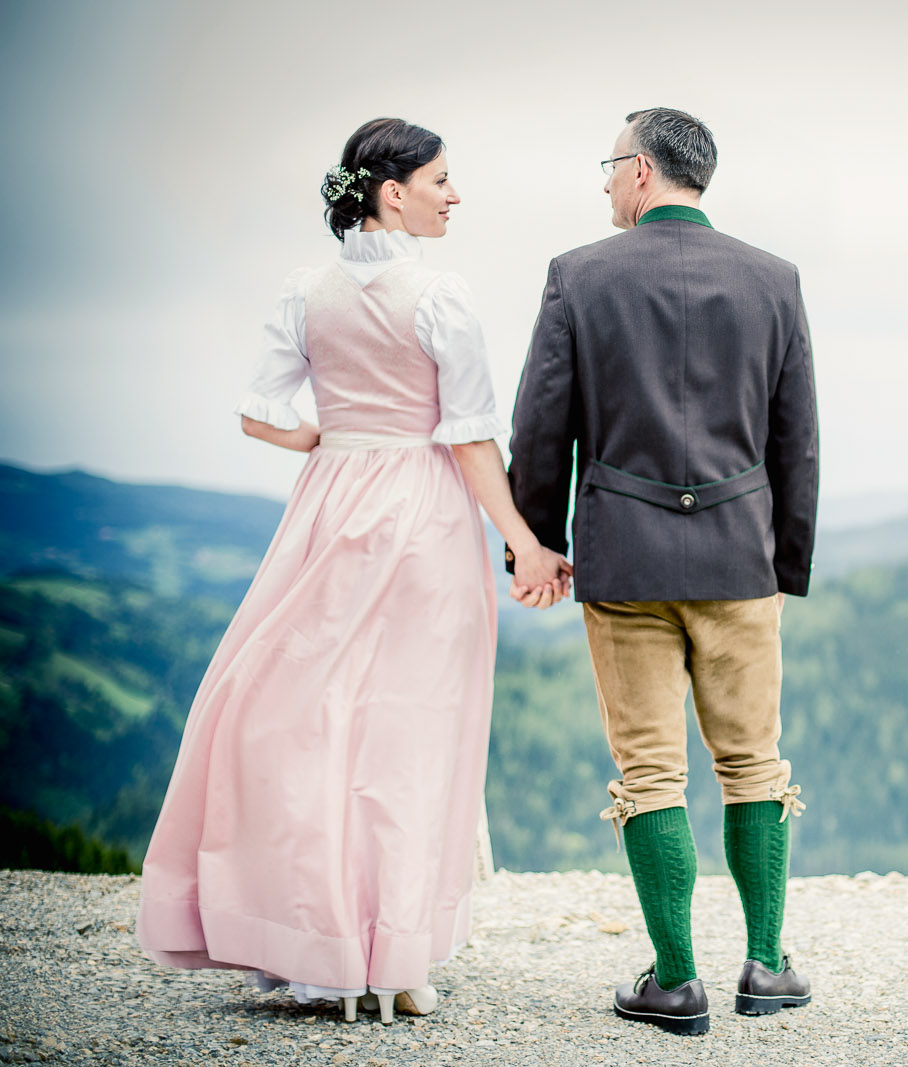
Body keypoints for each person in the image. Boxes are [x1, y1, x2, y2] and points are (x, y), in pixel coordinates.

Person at [136, 117, 571, 1024]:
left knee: (305, 723)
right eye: (443, 180)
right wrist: (525, 542)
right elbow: (470, 437)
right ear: (392, 191)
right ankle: (396, 955)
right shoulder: (440, 297)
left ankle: (313, 942)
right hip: (421, 517)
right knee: (410, 733)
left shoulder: (307, 291)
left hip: (329, 511)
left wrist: (330, 437)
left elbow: (259, 414)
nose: (456, 195)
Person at [507, 108, 819, 1035]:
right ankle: (766, 966)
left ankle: (675, 980)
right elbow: (795, 439)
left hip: (624, 560)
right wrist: (781, 562)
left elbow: (541, 424)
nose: (604, 183)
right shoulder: (774, 278)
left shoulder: (579, 276)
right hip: (738, 560)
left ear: (641, 172)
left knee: (650, 772)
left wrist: (536, 542)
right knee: (753, 762)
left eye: (609, 166)